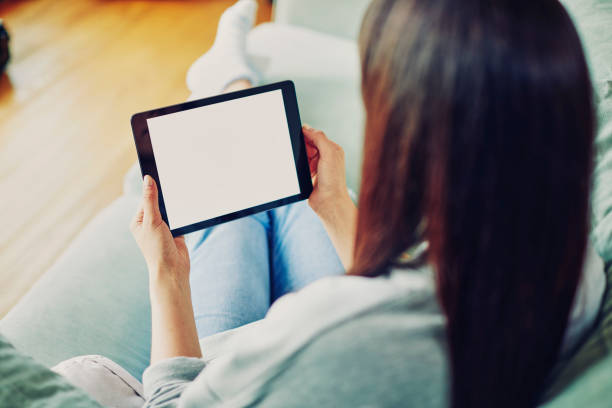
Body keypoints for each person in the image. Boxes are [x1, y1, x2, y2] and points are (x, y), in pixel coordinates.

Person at [0, 0, 607, 407]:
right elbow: (413, 288)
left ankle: (225, 84)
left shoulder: (338, 336)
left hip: (251, 361)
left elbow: (175, 404)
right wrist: (338, 207)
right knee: (285, 189)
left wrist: (167, 275)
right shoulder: (570, 261)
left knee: (227, 210)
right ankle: (233, 85)